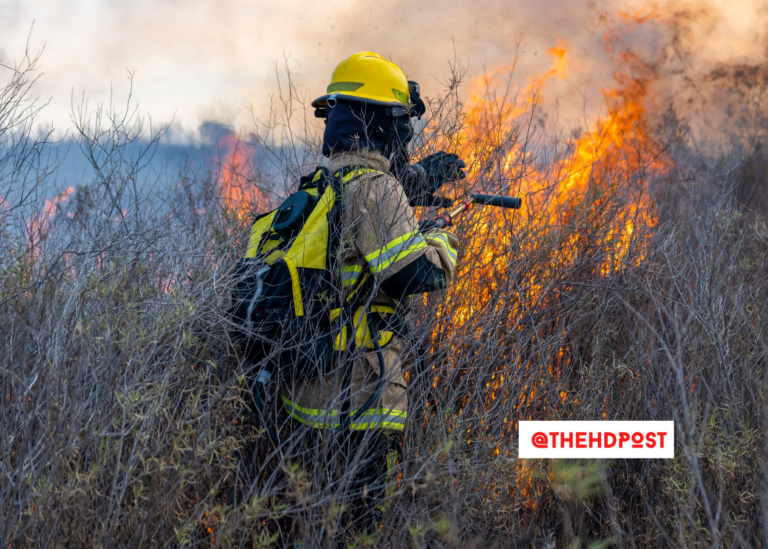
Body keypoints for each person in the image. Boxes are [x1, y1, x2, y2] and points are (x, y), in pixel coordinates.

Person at [273, 51, 466, 543]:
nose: (407, 134)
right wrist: (440, 235)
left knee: (310, 528)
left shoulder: (321, 186)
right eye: (401, 121)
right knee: (360, 531)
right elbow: (416, 274)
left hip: (303, 399)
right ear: (380, 123)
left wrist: (412, 184)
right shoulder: (376, 190)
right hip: (360, 401)